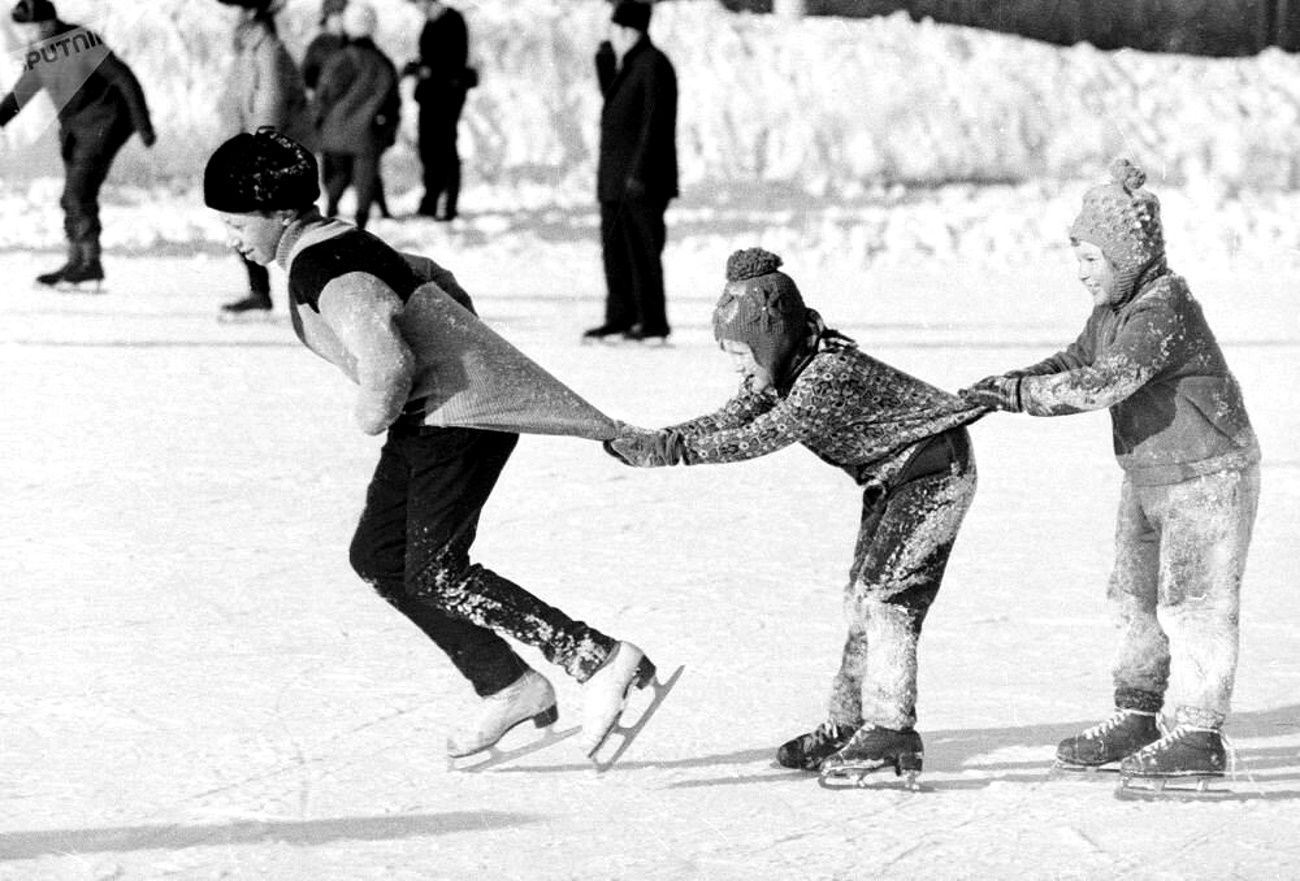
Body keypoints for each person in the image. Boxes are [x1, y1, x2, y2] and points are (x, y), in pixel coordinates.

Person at [202, 127, 661, 761]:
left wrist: (374, 407)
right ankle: (509, 685)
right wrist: (448, 337)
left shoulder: (320, 263)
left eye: (235, 225)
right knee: (381, 555)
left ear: (279, 211)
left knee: (437, 570)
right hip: (433, 413)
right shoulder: (336, 239)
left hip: (459, 415)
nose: (232, 240)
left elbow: (386, 358)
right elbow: (431, 278)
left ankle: (597, 658)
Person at [605, 248, 983, 783]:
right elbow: (729, 418)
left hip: (934, 471)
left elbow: (761, 436)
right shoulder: (787, 365)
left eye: (742, 352)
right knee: (860, 600)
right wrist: (660, 440)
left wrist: (676, 452)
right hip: (892, 477)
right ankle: (848, 725)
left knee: (886, 599)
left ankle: (891, 731)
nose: (737, 365)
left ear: (772, 339)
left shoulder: (825, 374)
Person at [960, 159, 1261, 784]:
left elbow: (1103, 382)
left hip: (1207, 474)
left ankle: (1199, 732)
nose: (1081, 273)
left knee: (1194, 604)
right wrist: (1007, 383)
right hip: (1148, 473)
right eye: (1079, 258)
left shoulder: (1162, 307)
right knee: (1132, 600)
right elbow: (1077, 359)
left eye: (1090, 259)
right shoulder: (1113, 310)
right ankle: (1137, 714)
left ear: (1125, 256)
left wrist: (1021, 397)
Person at [0, 0, 154, 290]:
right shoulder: (40, 53)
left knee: (78, 193)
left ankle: (89, 264)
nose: (27, 35)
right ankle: (78, 261)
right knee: (73, 196)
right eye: (25, 29)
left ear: (47, 23)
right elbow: (22, 92)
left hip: (106, 123)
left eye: (31, 27)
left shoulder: (81, 41)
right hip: (77, 131)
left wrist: (143, 125)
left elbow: (123, 77)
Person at [584, 0, 678, 344]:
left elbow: (656, 124)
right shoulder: (631, 63)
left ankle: (652, 322)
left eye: (618, 29)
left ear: (631, 30)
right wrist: (605, 61)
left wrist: (640, 174)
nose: (614, 34)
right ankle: (620, 317)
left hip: (642, 181)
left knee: (643, 253)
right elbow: (614, 101)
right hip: (614, 180)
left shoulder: (653, 64)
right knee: (616, 253)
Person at [215, 0, 314, 318]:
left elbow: (270, 98)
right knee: (252, 219)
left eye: (242, 13)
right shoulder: (251, 49)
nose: (237, 19)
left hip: (265, 148)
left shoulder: (266, 49)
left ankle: (311, 289)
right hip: (251, 144)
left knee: (275, 222)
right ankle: (266, 291)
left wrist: (261, 147)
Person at [314, 1, 400, 231]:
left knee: (338, 177)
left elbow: (323, 96)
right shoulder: (383, 63)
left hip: (335, 133)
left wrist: (317, 123)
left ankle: (330, 214)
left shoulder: (339, 60)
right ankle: (362, 223)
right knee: (365, 181)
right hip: (368, 135)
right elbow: (393, 104)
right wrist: (389, 133)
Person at [403, 0, 472, 221]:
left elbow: (454, 61)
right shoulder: (431, 23)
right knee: (429, 148)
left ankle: (447, 203)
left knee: (445, 148)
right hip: (430, 96)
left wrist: (428, 70)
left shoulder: (452, 20)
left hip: (447, 97)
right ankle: (431, 198)